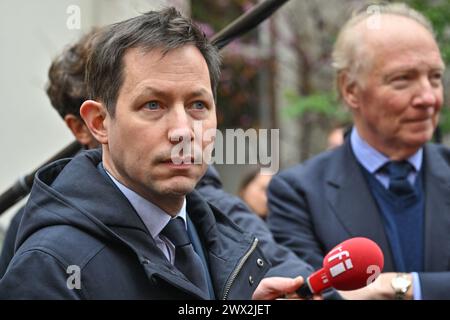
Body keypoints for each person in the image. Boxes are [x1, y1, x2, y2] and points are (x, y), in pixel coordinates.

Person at [0, 8, 310, 299]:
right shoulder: (49, 267)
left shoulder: (213, 228)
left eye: (198, 105)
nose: (183, 131)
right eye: (153, 105)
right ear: (98, 122)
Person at [267, 3, 450, 300]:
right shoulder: (298, 193)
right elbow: (312, 294)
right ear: (351, 89)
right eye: (402, 79)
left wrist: (400, 286)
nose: (428, 97)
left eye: (435, 77)